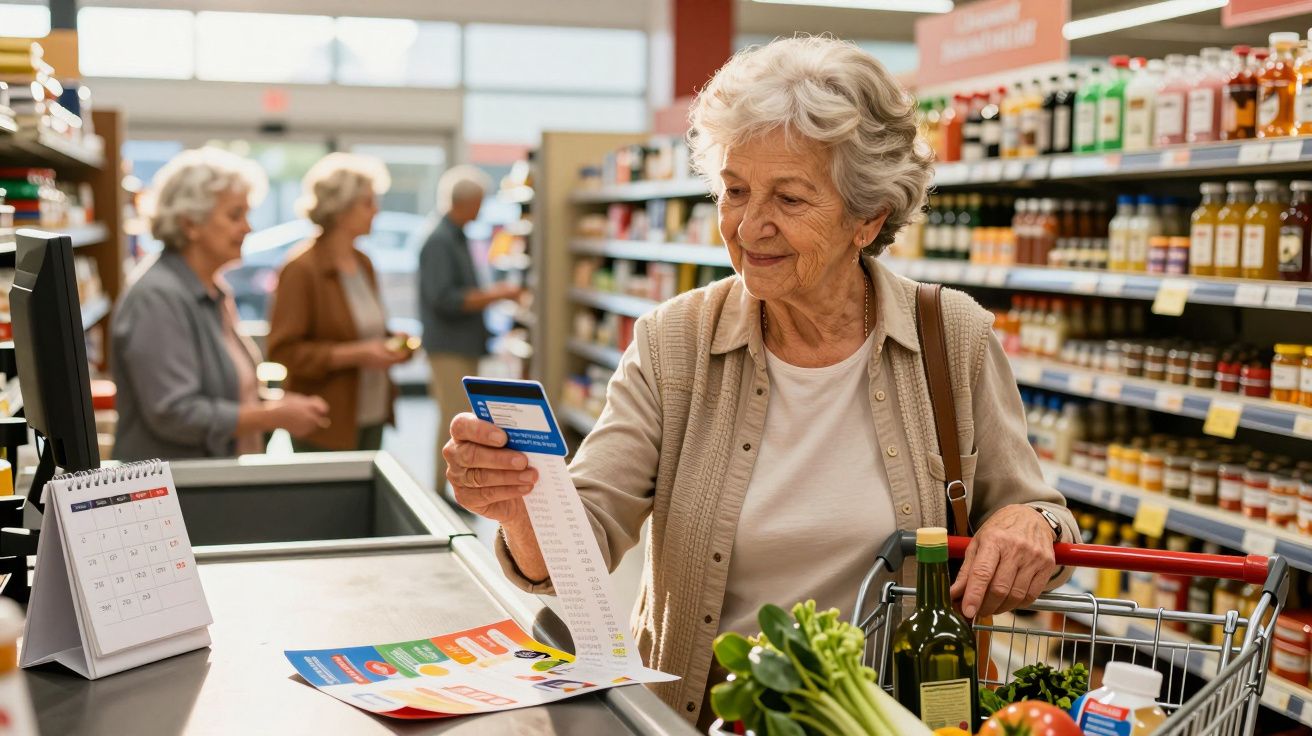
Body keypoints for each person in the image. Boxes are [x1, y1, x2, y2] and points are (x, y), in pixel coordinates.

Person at [444, 37, 1080, 727]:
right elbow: (585, 535)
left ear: (866, 217)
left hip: (894, 717)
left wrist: (1030, 522)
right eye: (735, 190)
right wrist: (523, 506)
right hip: (705, 715)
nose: (750, 226)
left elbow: (1040, 516)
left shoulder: (950, 337)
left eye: (790, 197)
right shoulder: (674, 343)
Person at [113, 147, 329, 461]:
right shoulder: (157, 298)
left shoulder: (213, 289)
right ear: (190, 224)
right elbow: (175, 413)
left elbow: (225, 391)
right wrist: (272, 415)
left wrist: (279, 405)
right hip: (175, 494)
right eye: (234, 215)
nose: (248, 228)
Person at [267, 153, 411, 452]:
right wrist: (356, 355)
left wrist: (392, 344)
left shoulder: (363, 263)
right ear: (342, 209)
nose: (376, 211)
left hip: (371, 412)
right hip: (325, 420)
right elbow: (284, 351)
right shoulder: (301, 269)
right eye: (368, 202)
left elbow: (367, 329)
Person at [419, 165, 522, 490]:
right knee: (453, 418)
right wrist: (496, 295)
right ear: (463, 202)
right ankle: (440, 492)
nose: (481, 209)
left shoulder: (456, 237)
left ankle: (446, 488)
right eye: (478, 202)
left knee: (456, 413)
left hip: (462, 343)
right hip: (448, 345)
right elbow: (445, 299)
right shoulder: (439, 241)